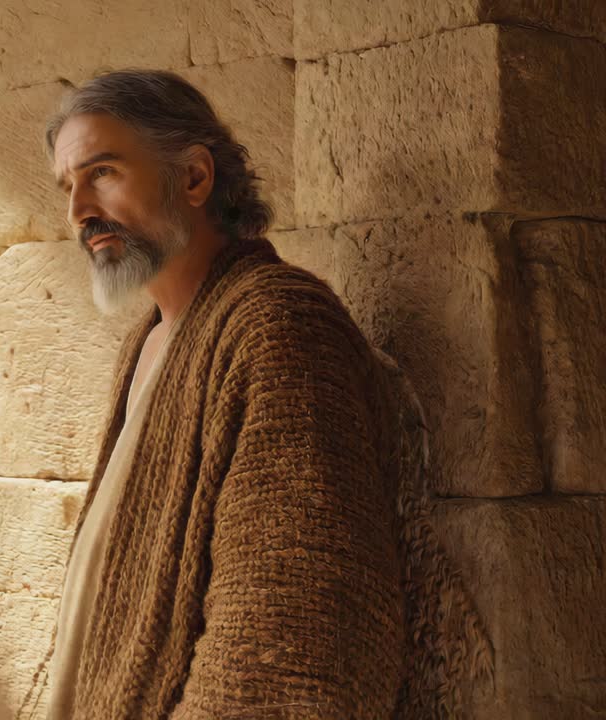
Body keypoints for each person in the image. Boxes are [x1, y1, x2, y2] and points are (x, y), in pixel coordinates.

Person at [29, 68, 409, 719]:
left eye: (103, 173)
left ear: (194, 177)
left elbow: (291, 643)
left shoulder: (278, 326)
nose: (78, 213)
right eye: (69, 186)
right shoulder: (149, 339)